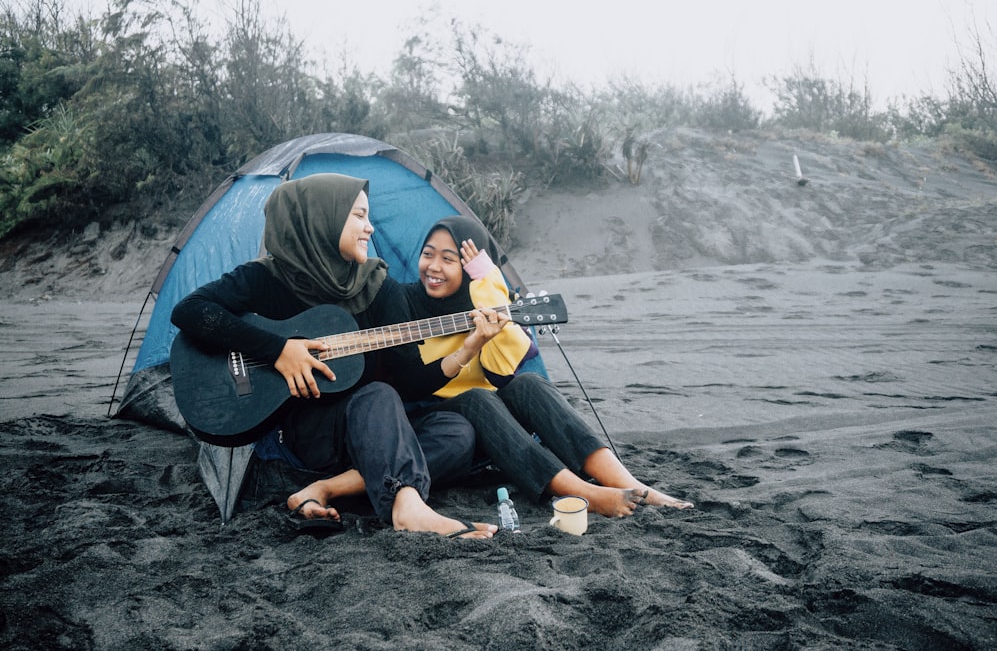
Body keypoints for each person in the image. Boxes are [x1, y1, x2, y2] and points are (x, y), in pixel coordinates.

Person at [170, 174, 496, 539]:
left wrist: (469, 346)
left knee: (456, 432)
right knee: (378, 394)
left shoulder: (378, 287)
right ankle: (408, 508)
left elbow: (411, 380)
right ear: (322, 218)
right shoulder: (265, 278)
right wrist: (276, 350)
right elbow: (190, 311)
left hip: (374, 429)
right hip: (306, 434)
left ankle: (327, 489)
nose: (370, 228)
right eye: (358, 216)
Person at [399, 215, 695, 518]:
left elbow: (501, 371)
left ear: (471, 270)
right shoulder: (403, 300)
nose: (433, 267)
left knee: (529, 384)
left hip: (493, 429)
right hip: (441, 429)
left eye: (448, 259)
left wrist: (489, 284)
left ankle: (632, 485)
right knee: (478, 397)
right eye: (428, 254)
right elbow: (408, 382)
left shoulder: (480, 298)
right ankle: (585, 493)